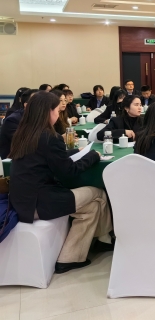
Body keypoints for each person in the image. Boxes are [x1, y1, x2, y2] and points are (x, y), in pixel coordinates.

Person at [8, 91, 112, 274]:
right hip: (40, 202)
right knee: (99, 194)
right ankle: (103, 239)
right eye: (57, 110)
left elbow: (49, 158)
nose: (59, 113)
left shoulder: (23, 134)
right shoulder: (50, 137)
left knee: (92, 207)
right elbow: (68, 174)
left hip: (20, 201)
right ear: (48, 111)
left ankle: (72, 256)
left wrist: (75, 153)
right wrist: (92, 157)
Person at [0, 89, 37, 159]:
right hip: (14, 161)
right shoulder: (13, 120)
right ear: (26, 105)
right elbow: (26, 144)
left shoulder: (42, 119)